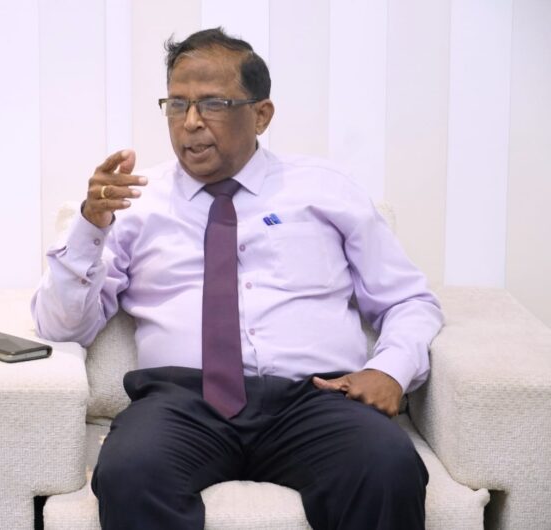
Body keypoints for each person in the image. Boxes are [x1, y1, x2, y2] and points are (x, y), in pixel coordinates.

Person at [32, 27, 443, 530]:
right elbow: (62, 327)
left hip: (314, 399)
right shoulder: (132, 203)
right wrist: (90, 228)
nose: (191, 122)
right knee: (129, 471)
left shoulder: (326, 190)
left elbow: (409, 301)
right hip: (182, 404)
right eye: (177, 104)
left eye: (213, 103)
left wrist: (390, 371)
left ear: (261, 114)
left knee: (386, 465)